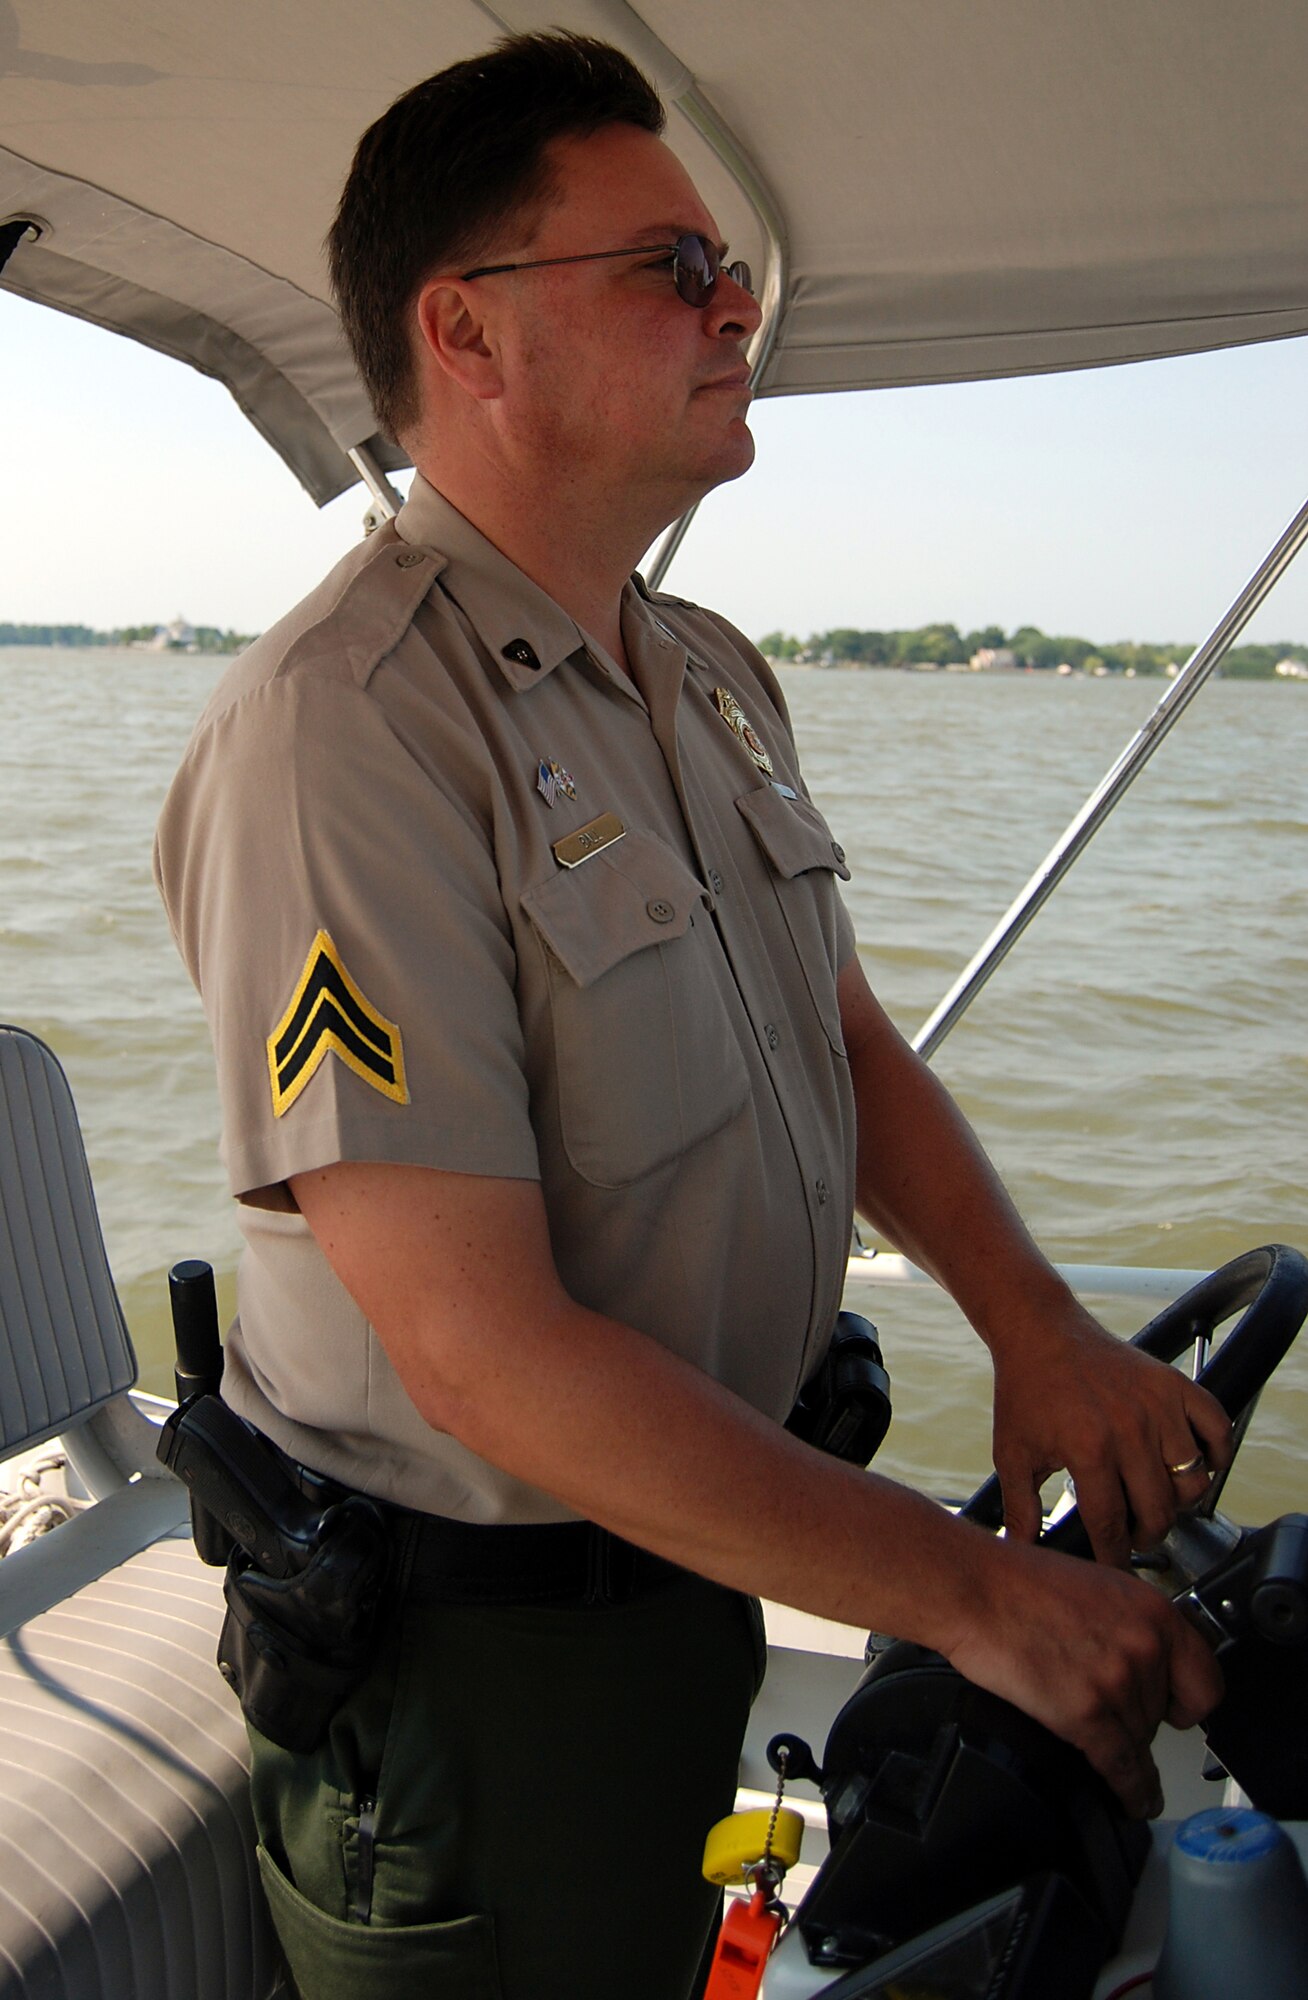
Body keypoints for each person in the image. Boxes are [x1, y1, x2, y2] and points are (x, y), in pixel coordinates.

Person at [154, 30, 1232, 2000]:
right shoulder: (345, 735)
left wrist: (1038, 1326)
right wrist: (983, 1596)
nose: (738, 308)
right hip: (483, 1684)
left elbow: (848, 1046)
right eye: (675, 268)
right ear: (469, 333)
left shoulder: (711, 674)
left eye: (728, 269)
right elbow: (481, 1356)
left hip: (710, 1557)